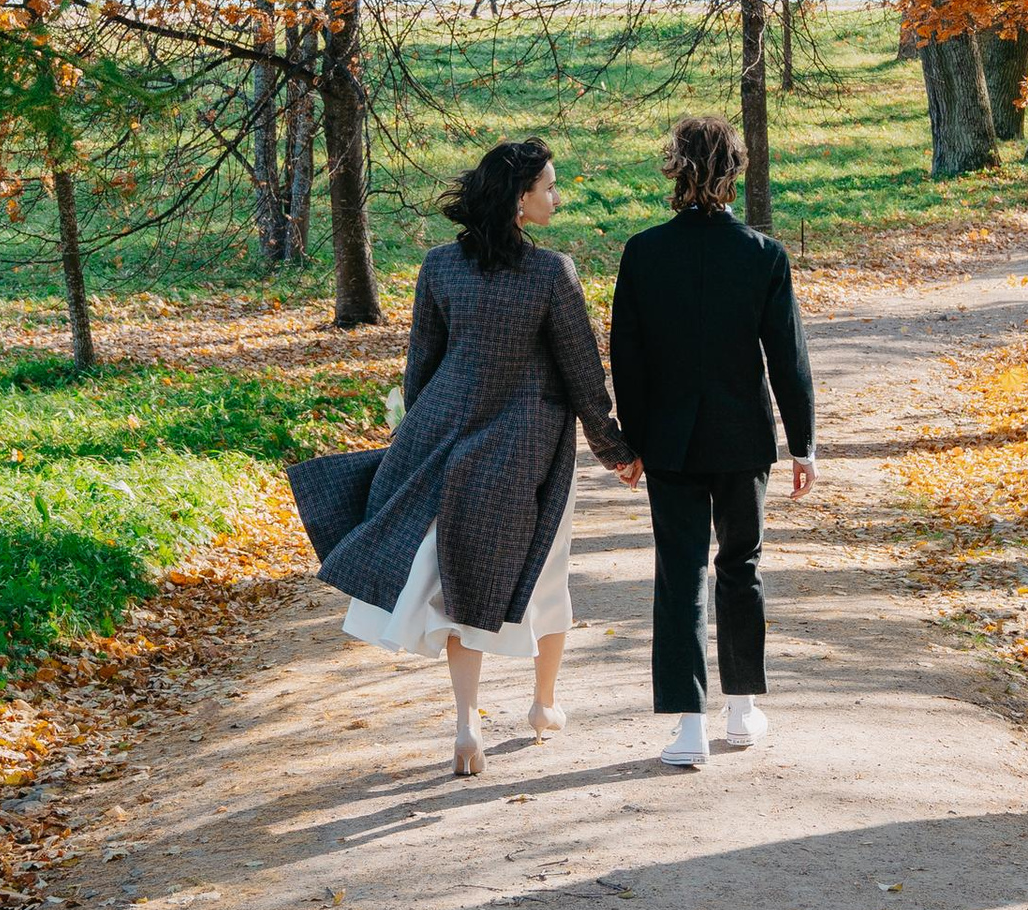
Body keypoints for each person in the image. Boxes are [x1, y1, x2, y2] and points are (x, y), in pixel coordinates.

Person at [289, 138, 638, 777]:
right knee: (546, 572)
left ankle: (466, 725)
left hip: (446, 439)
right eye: (549, 187)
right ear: (518, 199)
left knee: (458, 581)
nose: (555, 197)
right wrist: (614, 447)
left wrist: (425, 438)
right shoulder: (550, 273)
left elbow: (420, 366)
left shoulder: (440, 268)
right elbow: (583, 371)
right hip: (528, 450)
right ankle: (542, 706)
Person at [609, 113, 816, 772]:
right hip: (741, 438)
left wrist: (631, 441)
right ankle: (742, 709)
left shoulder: (643, 253)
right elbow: (788, 358)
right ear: (734, 169)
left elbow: (627, 358)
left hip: (669, 441)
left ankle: (689, 725)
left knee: (680, 574)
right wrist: (802, 442)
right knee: (741, 565)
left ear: (675, 165)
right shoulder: (763, 255)